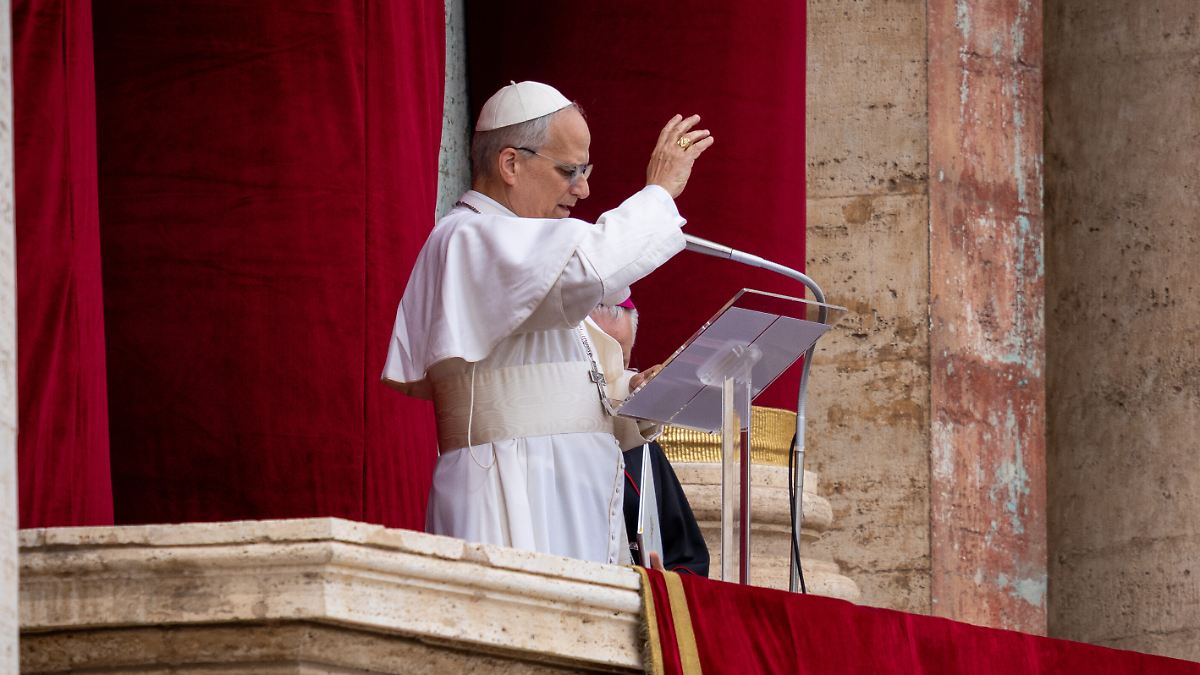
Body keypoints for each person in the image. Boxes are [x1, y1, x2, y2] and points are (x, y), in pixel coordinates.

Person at [382, 81, 714, 564]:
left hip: (573, 496)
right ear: (511, 163)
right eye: (569, 170)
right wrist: (659, 193)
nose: (583, 188)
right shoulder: (469, 238)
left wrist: (637, 400)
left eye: (586, 170)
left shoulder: (535, 255)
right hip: (511, 492)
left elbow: (561, 406)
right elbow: (595, 263)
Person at [588, 300, 709, 576]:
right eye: (599, 359)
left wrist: (663, 583)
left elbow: (689, 559)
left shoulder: (642, 447)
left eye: (621, 361)